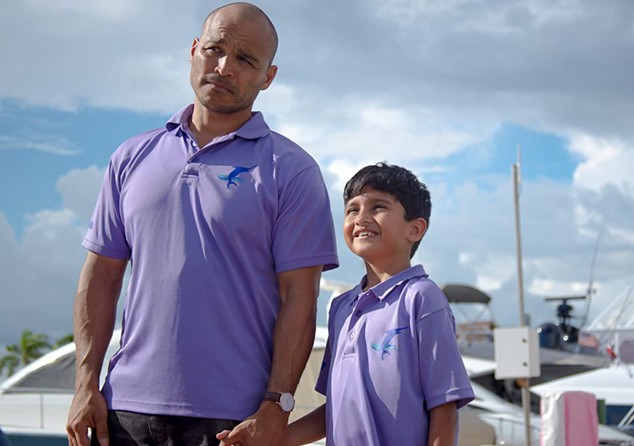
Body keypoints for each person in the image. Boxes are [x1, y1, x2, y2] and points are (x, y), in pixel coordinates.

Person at [65, 3, 339, 446]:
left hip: (233, 421)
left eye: (246, 59)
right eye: (214, 50)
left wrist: (277, 405)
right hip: (123, 414)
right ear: (194, 52)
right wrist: (84, 384)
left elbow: (299, 298)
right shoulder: (131, 157)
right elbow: (100, 276)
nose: (225, 67)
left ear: (268, 77)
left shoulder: (291, 169)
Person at [284, 162, 475, 445]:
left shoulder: (421, 297)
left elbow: (444, 407)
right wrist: (268, 438)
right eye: (353, 209)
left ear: (415, 229)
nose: (361, 218)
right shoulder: (340, 308)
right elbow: (334, 412)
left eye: (378, 207)